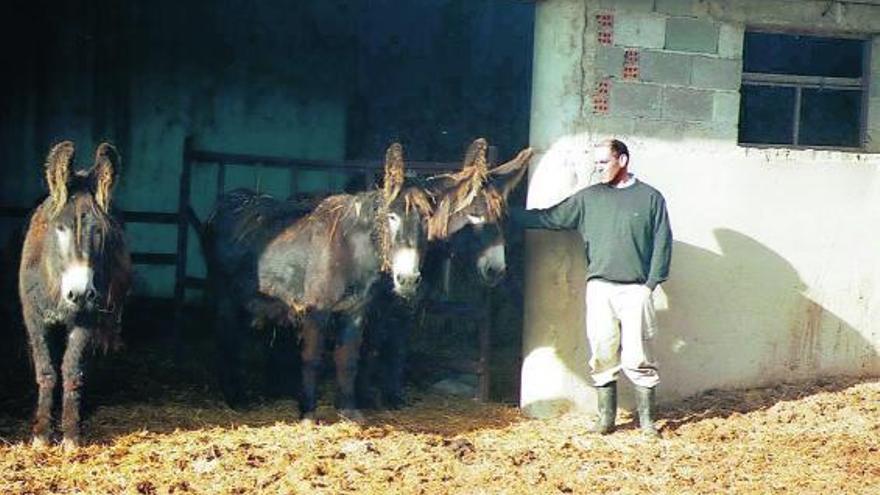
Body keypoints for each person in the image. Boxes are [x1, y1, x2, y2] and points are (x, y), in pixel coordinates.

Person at [511, 139, 672, 437]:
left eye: (603, 162)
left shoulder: (650, 198)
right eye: (595, 163)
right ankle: (605, 419)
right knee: (602, 351)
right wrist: (504, 214)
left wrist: (650, 284)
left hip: (636, 289)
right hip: (600, 287)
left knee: (639, 356)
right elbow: (551, 217)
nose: (598, 168)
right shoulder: (588, 198)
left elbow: (663, 243)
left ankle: (647, 421)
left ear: (622, 160)